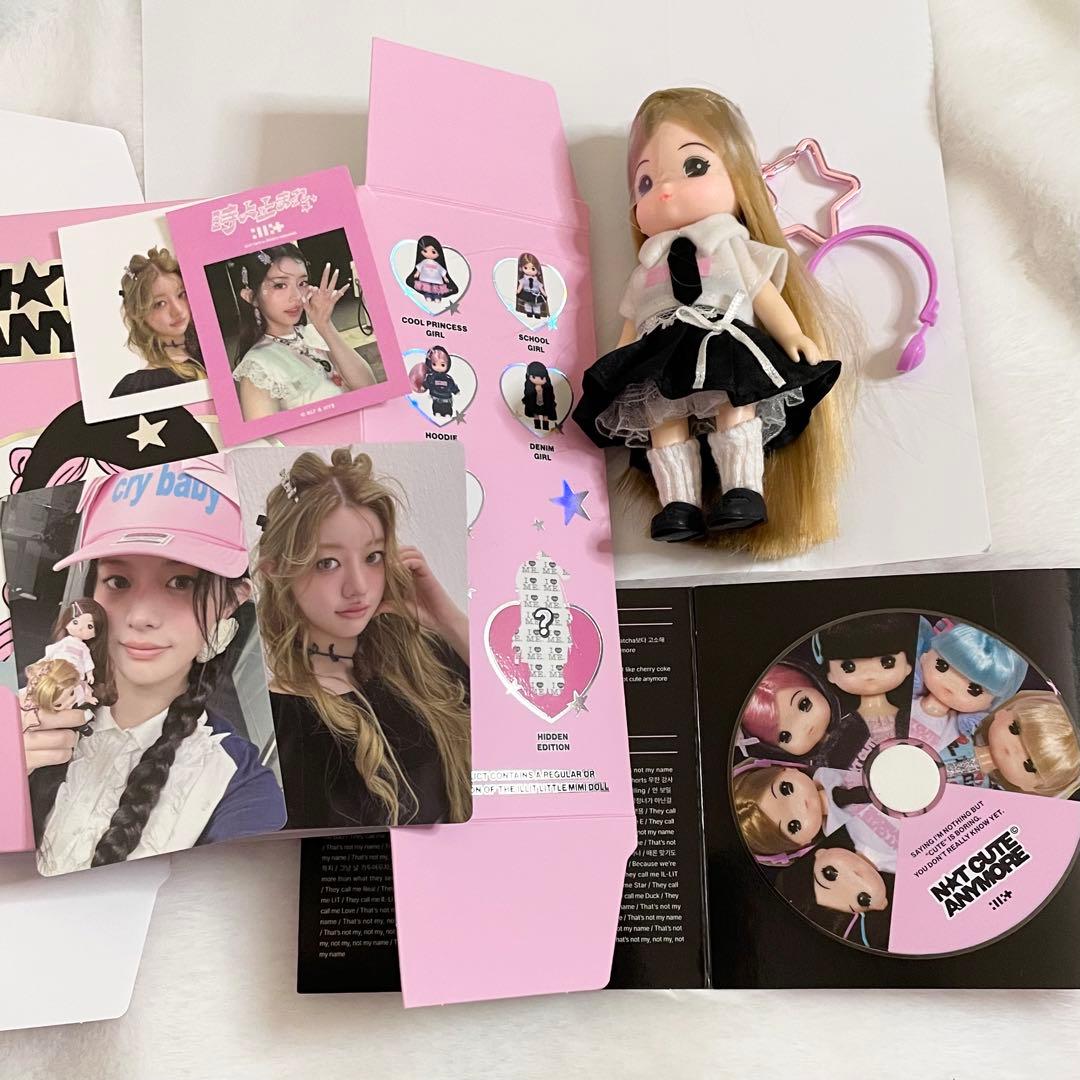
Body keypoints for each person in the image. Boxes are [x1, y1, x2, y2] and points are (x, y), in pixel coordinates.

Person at [572, 88, 851, 549]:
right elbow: (633, 322)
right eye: (646, 183)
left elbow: (761, 293)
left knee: (734, 400)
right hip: (660, 350)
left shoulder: (729, 246)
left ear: (741, 179)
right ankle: (677, 503)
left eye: (695, 166)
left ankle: (743, 489)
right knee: (662, 417)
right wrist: (617, 365)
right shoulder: (648, 266)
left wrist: (792, 333)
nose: (665, 190)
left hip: (722, 337)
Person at [23, 457, 287, 874]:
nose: (141, 616)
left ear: (231, 602)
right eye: (119, 581)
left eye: (181, 582)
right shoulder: (25, 713)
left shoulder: (237, 785)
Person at [255, 448, 471, 827]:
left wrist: (447, 620)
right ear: (277, 571)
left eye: (372, 557)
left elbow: (521, 723)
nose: (358, 587)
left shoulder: (425, 659)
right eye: (327, 563)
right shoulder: (284, 721)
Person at [230, 244, 377, 419]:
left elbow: (370, 389)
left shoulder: (313, 332)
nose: (297, 296)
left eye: (302, 283)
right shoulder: (258, 368)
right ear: (250, 296)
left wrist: (324, 325)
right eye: (280, 285)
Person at [112, 248, 206, 397]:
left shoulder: (211, 352)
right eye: (160, 303)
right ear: (139, 314)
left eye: (181, 294)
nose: (177, 310)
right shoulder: (136, 388)